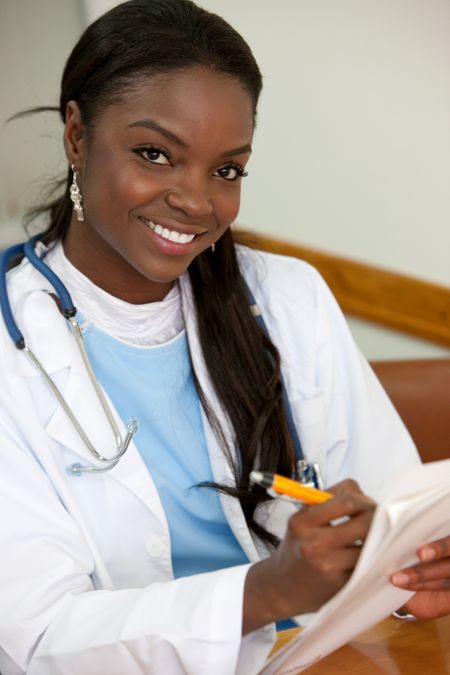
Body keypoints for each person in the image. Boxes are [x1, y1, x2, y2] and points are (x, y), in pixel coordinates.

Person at [0, 1, 449, 673]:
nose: (197, 200)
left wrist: (414, 577)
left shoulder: (287, 298)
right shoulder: (11, 344)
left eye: (226, 169)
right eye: (156, 154)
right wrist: (262, 593)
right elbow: (36, 636)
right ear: (76, 135)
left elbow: (390, 514)